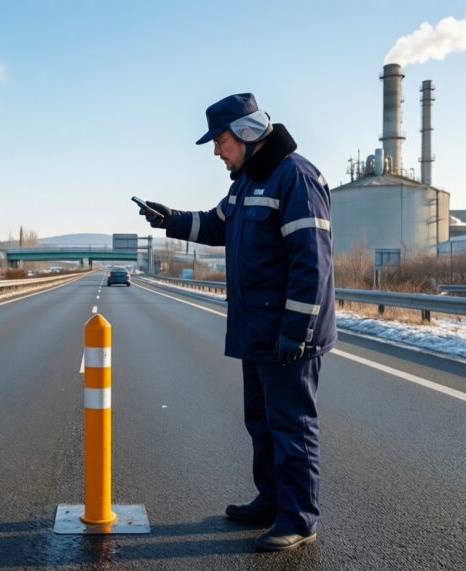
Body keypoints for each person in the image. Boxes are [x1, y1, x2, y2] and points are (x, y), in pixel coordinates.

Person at [138, 93, 336, 552]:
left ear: (247, 133)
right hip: (257, 330)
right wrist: (170, 220)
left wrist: (297, 331)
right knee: (261, 424)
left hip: (288, 335)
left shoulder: (296, 178)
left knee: (292, 426)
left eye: (220, 141)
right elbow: (217, 225)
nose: (216, 151)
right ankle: (272, 501)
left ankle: (299, 518)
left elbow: (312, 263)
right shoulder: (247, 182)